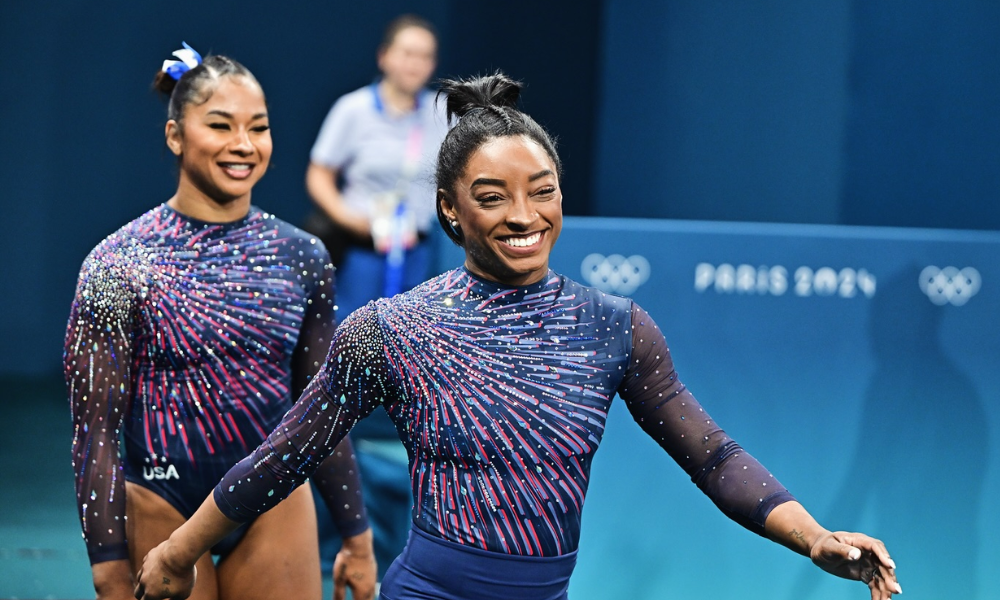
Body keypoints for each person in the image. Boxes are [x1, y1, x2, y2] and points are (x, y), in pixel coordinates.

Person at [133, 73, 902, 600]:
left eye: (543, 191)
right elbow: (285, 453)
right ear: (451, 211)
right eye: (492, 196)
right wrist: (178, 550)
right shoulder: (391, 330)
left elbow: (712, 455)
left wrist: (814, 538)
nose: (524, 215)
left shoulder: (615, 328)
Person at [65, 44, 376, 600]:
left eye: (258, 127)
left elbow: (320, 408)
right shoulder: (118, 263)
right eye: (220, 125)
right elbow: (97, 431)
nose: (242, 145)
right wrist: (107, 563)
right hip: (162, 496)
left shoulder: (302, 257)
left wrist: (357, 535)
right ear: (175, 136)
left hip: (270, 496)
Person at [302, 14, 450, 579]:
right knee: (347, 379)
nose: (415, 64)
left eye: (425, 56)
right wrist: (355, 222)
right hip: (361, 260)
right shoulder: (352, 111)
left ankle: (410, 539)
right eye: (406, 53)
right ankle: (333, 529)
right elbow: (320, 174)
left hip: (418, 259)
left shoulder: (441, 114)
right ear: (385, 56)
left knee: (414, 386)